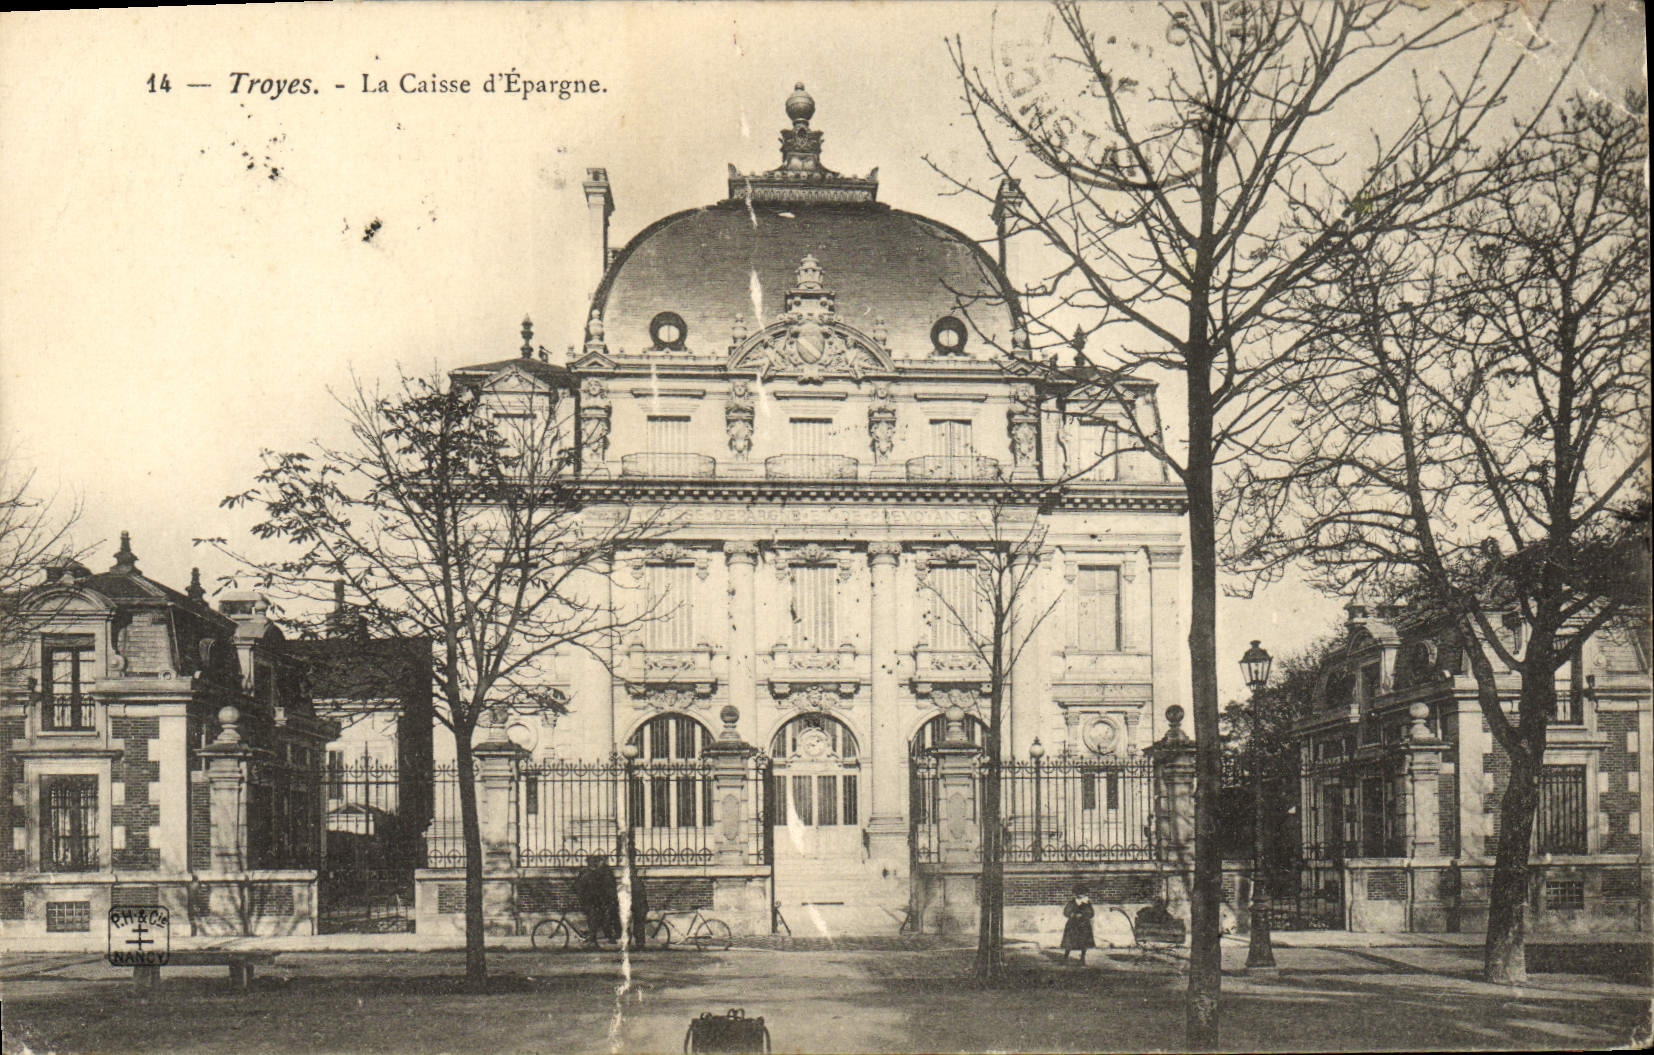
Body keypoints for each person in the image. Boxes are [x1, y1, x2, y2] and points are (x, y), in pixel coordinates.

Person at [573, 854, 610, 947]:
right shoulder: (590, 874)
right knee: (593, 920)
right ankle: (592, 940)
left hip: (588, 901)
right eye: (593, 862)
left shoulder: (585, 873)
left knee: (593, 920)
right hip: (590, 901)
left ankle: (592, 939)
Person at [1060, 884, 1095, 965]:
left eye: (1082, 893)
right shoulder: (1072, 902)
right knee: (1069, 942)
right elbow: (1066, 912)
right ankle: (1065, 958)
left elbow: (1091, 913)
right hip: (1072, 925)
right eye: (1078, 893)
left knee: (1084, 943)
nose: (1080, 895)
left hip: (1084, 925)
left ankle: (1082, 958)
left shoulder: (1087, 903)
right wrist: (1072, 914)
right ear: (1075, 894)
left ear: (1085, 894)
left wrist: (1083, 915)